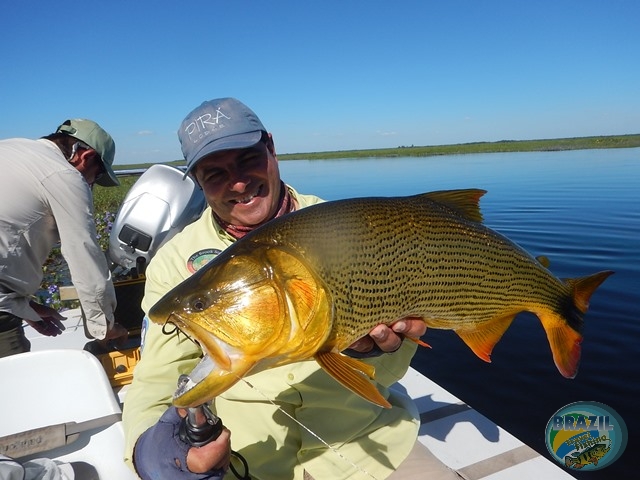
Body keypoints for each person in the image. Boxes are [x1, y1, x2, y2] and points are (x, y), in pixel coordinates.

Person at [122, 98, 459, 479]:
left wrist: (374, 356)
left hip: (369, 443)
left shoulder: (351, 229)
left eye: (248, 159)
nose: (238, 182)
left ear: (271, 147)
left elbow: (394, 357)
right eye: (215, 173)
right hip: (250, 460)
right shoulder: (174, 262)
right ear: (198, 182)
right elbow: (156, 377)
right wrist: (150, 452)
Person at [0, 119, 129, 358]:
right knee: (13, 382)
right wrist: (105, 327)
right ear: (86, 157)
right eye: (96, 177)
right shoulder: (64, 174)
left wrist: (24, 308)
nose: (90, 185)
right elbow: (83, 256)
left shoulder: (11, 148)